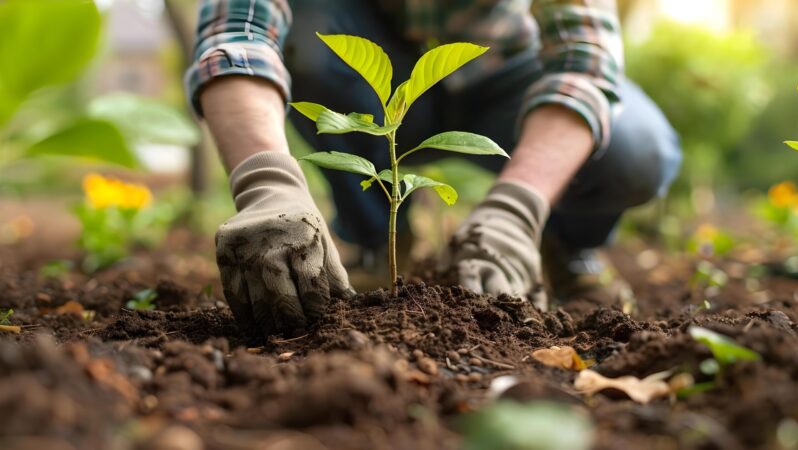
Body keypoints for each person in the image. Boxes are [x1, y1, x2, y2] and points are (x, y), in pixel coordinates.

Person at [187, 0, 682, 338]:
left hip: (506, 67)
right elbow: (238, 29)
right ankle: (372, 236)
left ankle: (560, 242)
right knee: (310, 34)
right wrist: (266, 183)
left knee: (635, 150)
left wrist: (516, 210)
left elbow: (586, 62)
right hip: (370, 68)